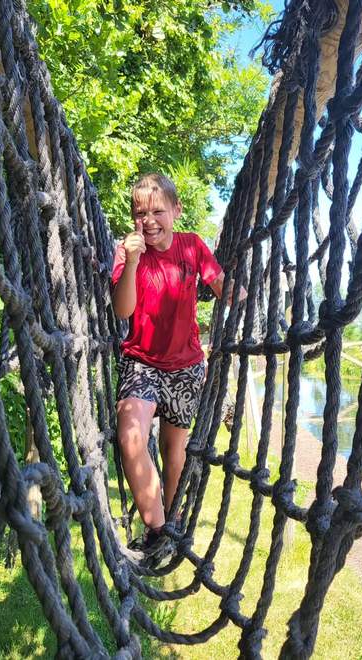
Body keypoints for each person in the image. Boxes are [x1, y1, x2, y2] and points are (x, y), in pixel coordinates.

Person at [111, 173, 243, 562]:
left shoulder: (192, 246)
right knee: (131, 435)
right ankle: (158, 531)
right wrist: (132, 261)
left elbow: (224, 287)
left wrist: (251, 301)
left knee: (174, 451)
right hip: (141, 363)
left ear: (176, 210)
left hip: (185, 368)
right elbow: (123, 310)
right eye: (139, 212)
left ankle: (174, 514)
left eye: (157, 210)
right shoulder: (127, 253)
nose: (148, 220)